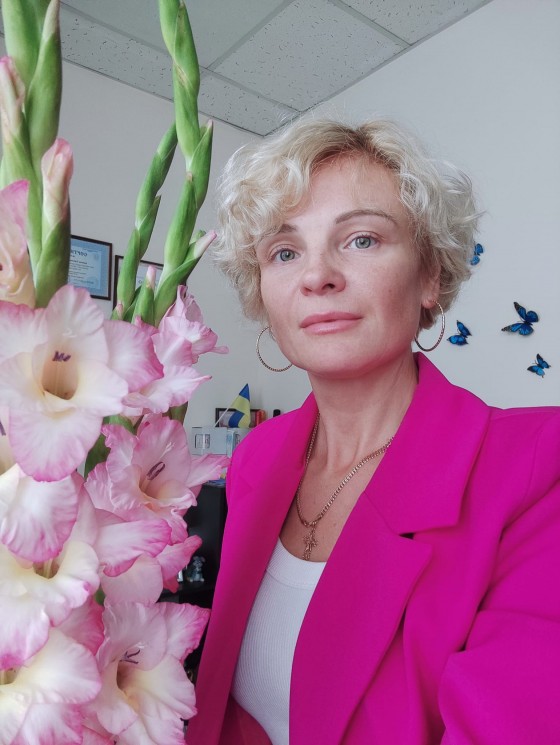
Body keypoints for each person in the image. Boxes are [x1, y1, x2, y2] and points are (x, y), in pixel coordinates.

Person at [186, 118, 560, 745]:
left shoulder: (537, 467)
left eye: (361, 239)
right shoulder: (257, 456)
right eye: (284, 252)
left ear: (430, 277)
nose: (317, 275)